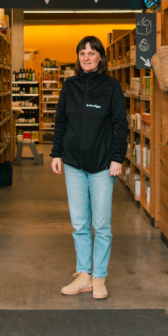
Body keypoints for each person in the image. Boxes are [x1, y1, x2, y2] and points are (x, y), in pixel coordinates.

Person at [51, 35, 128, 300]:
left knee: (102, 225)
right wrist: (56, 153)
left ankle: (99, 277)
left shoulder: (111, 87)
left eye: (92, 53)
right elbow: (60, 121)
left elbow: (121, 125)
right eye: (82, 53)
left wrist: (117, 158)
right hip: (73, 163)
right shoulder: (69, 85)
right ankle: (83, 275)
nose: (86, 57)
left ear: (100, 57)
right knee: (80, 224)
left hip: (102, 166)